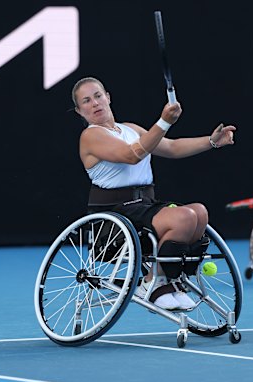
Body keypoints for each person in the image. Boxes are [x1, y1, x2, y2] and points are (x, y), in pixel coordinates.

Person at [72, 77, 236, 310]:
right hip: (115, 217)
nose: (95, 103)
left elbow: (171, 147)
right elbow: (132, 155)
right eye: (86, 101)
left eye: (98, 96)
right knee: (184, 217)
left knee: (199, 212)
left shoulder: (131, 129)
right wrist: (164, 122)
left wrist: (211, 141)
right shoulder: (91, 136)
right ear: (80, 111)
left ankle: (171, 279)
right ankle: (153, 283)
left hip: (145, 205)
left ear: (108, 97)